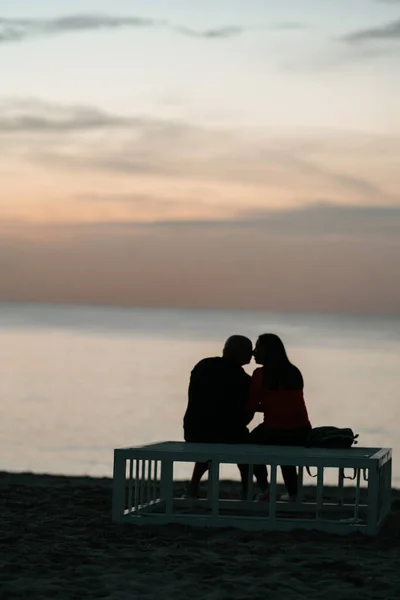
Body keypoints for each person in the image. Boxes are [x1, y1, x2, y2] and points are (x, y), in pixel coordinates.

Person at [183, 335, 254, 498]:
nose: (252, 354)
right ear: (238, 353)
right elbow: (245, 416)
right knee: (244, 442)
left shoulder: (203, 365)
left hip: (194, 432)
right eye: (249, 351)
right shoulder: (243, 380)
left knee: (210, 435)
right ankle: (247, 491)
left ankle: (193, 486)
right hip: (224, 435)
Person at [248, 333, 311, 502]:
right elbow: (286, 402)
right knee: (286, 455)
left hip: (275, 431)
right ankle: (293, 494)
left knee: (248, 445)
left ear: (267, 351)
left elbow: (251, 406)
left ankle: (264, 488)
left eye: (257, 348)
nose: (254, 352)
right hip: (302, 432)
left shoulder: (260, 374)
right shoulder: (293, 371)